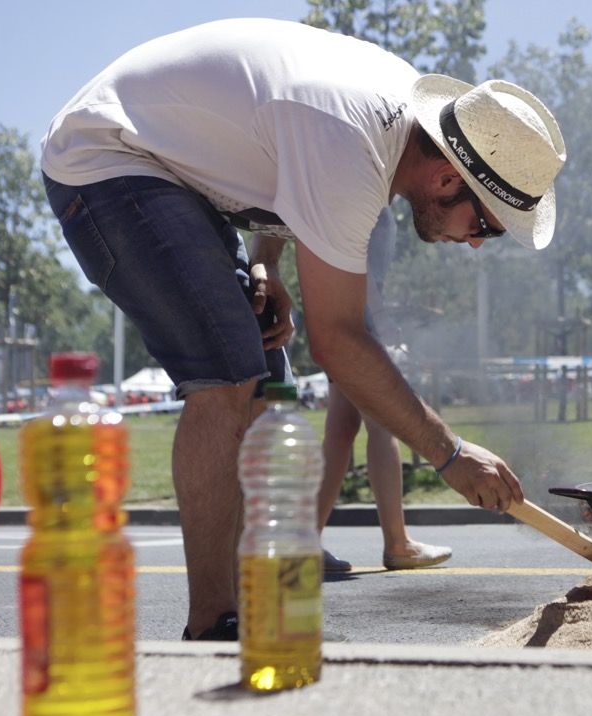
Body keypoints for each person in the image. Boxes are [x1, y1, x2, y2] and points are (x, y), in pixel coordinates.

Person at [40, 19, 565, 640]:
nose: (477, 245)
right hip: (107, 156)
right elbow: (339, 341)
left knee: (271, 383)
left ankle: (255, 598)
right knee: (229, 371)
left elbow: (281, 152)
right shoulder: (355, 144)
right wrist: (449, 453)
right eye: (488, 226)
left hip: (175, 174)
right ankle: (215, 623)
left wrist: (264, 263)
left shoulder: (387, 129)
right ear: (449, 180)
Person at [317, 207, 451, 572]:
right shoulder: (370, 198)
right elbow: (356, 267)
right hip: (356, 319)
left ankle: (303, 543)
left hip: (341, 312)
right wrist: (382, 317)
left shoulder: (362, 191)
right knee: (383, 421)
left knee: (341, 429)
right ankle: (398, 543)